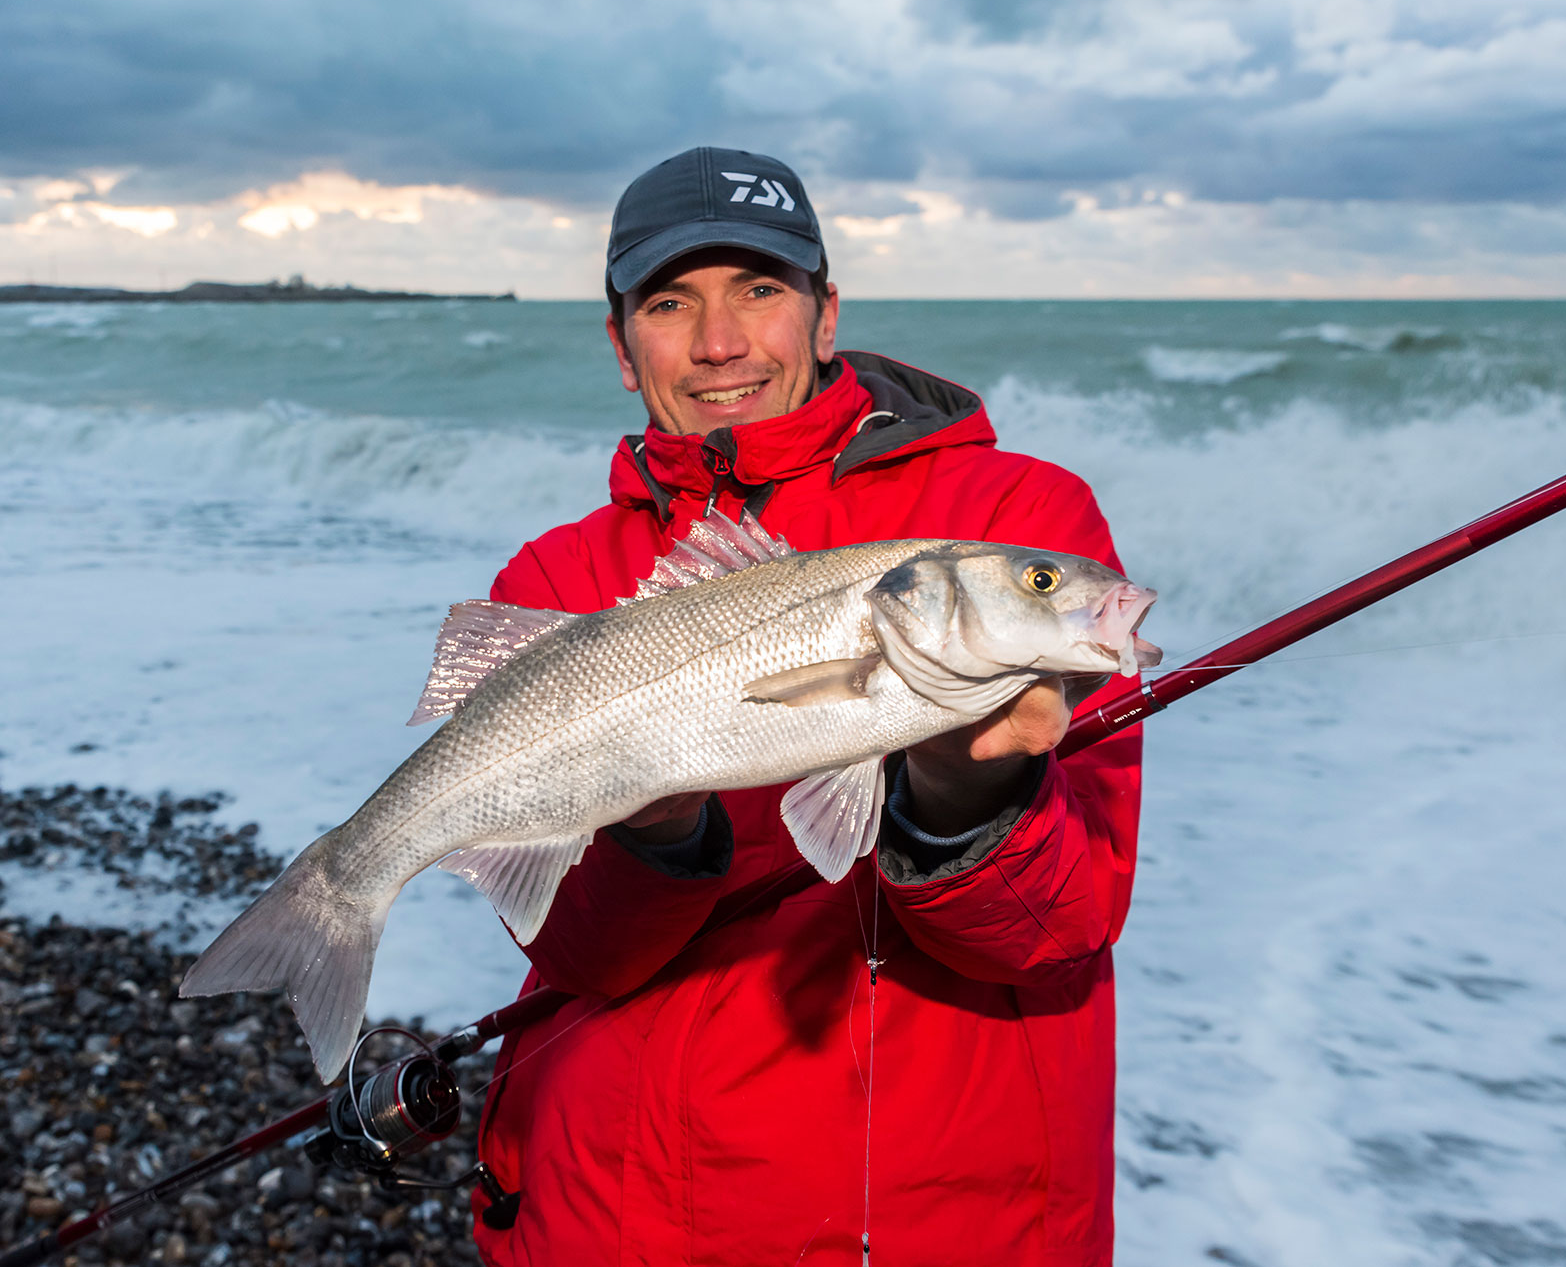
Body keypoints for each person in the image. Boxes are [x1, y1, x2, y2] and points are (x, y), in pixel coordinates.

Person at [470, 147, 1143, 1266]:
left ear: (827, 315)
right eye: (671, 302)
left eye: (761, 290)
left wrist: (966, 797)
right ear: (621, 345)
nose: (720, 341)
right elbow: (574, 950)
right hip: (619, 1213)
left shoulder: (1012, 516)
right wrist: (654, 829)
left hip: (940, 1218)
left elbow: (1056, 930)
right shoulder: (555, 584)